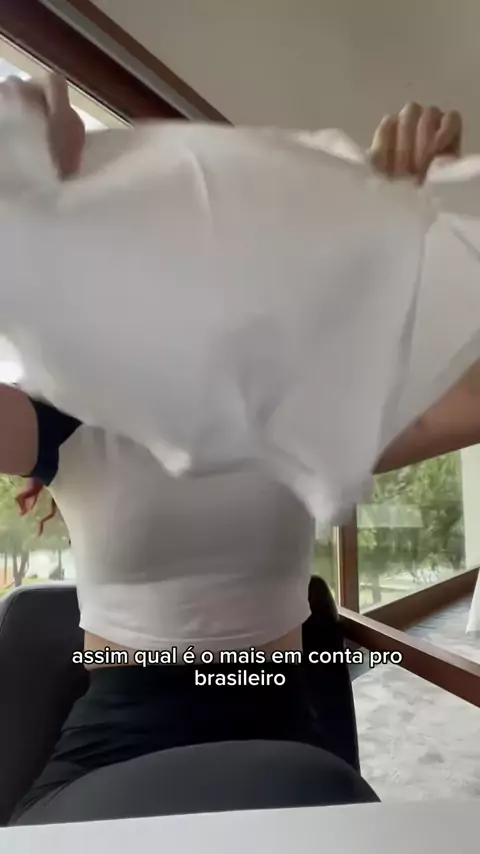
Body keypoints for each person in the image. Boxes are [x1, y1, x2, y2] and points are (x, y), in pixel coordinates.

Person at [0, 76, 470, 824]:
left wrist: (419, 230)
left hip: (280, 716)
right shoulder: (70, 409)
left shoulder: (308, 406)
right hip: (121, 735)